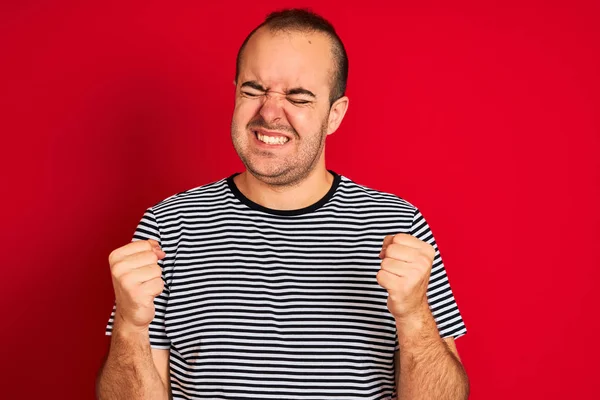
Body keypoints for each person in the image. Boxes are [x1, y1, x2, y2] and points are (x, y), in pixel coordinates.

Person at [96, 8, 469, 400]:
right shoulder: (168, 226)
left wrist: (414, 317)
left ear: (334, 115)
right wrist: (130, 327)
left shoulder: (398, 224)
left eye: (299, 97)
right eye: (253, 90)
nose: (270, 112)